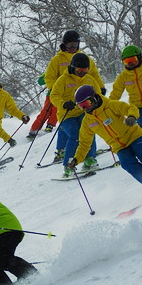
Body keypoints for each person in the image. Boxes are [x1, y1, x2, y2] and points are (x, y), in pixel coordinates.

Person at [69, 85, 142, 191]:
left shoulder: (111, 105)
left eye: (87, 104)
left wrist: (132, 116)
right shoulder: (87, 122)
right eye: (81, 106)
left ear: (94, 98)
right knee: (127, 163)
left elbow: (131, 108)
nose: (85, 108)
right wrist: (76, 159)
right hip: (119, 146)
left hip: (134, 136)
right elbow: (84, 143)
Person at [44, 30, 105, 162]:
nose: (72, 48)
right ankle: (61, 150)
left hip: (82, 100)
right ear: (64, 45)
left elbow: (94, 74)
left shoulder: (84, 58)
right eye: (70, 45)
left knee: (86, 127)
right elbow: (49, 77)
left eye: (75, 45)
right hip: (65, 98)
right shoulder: (57, 60)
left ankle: (88, 154)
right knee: (66, 124)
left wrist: (101, 87)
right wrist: (57, 88)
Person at [50, 52, 103, 177]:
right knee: (74, 134)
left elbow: (98, 94)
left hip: (84, 111)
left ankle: (90, 158)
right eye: (79, 70)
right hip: (67, 114)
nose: (82, 73)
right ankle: (68, 165)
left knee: (89, 130)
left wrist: (97, 102)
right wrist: (63, 104)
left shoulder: (89, 79)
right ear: (73, 67)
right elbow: (54, 95)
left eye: (85, 70)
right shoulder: (63, 79)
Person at [26, 73, 58, 141]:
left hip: (60, 94)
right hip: (50, 94)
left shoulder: (66, 70)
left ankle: (50, 125)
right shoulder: (51, 70)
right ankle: (34, 129)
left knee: (56, 110)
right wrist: (50, 79)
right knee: (46, 111)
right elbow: (40, 81)